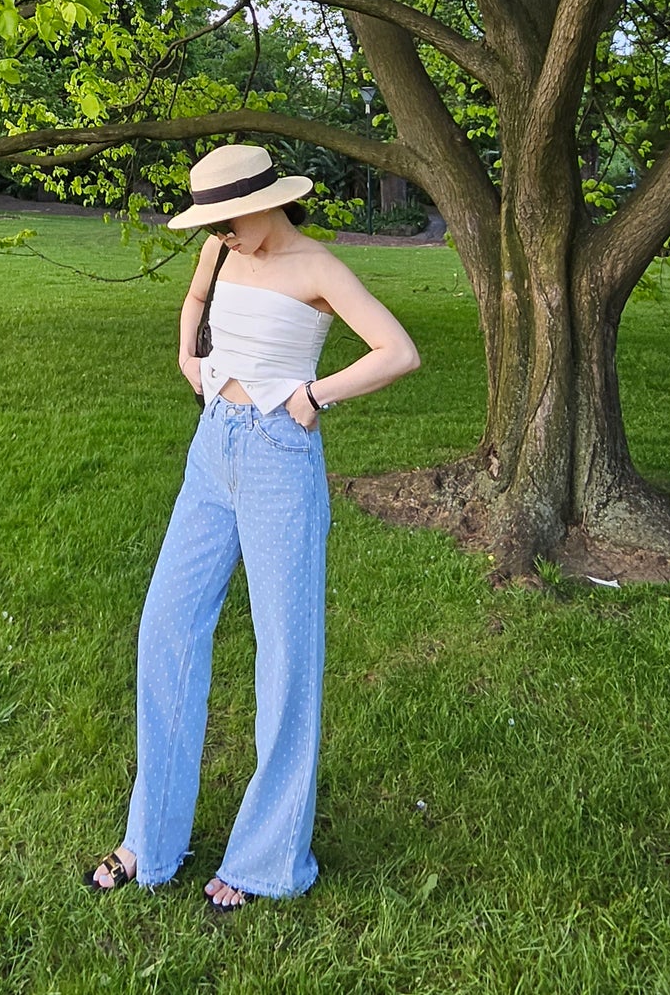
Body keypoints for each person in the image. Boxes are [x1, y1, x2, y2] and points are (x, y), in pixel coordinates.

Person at [84, 141, 421, 909]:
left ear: (264, 201)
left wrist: (313, 395)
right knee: (165, 626)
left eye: (228, 219)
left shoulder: (318, 267)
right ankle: (151, 841)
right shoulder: (218, 245)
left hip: (279, 455)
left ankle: (266, 860)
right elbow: (195, 303)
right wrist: (186, 356)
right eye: (214, 222)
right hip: (213, 448)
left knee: (285, 654)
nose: (221, 235)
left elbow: (397, 350)